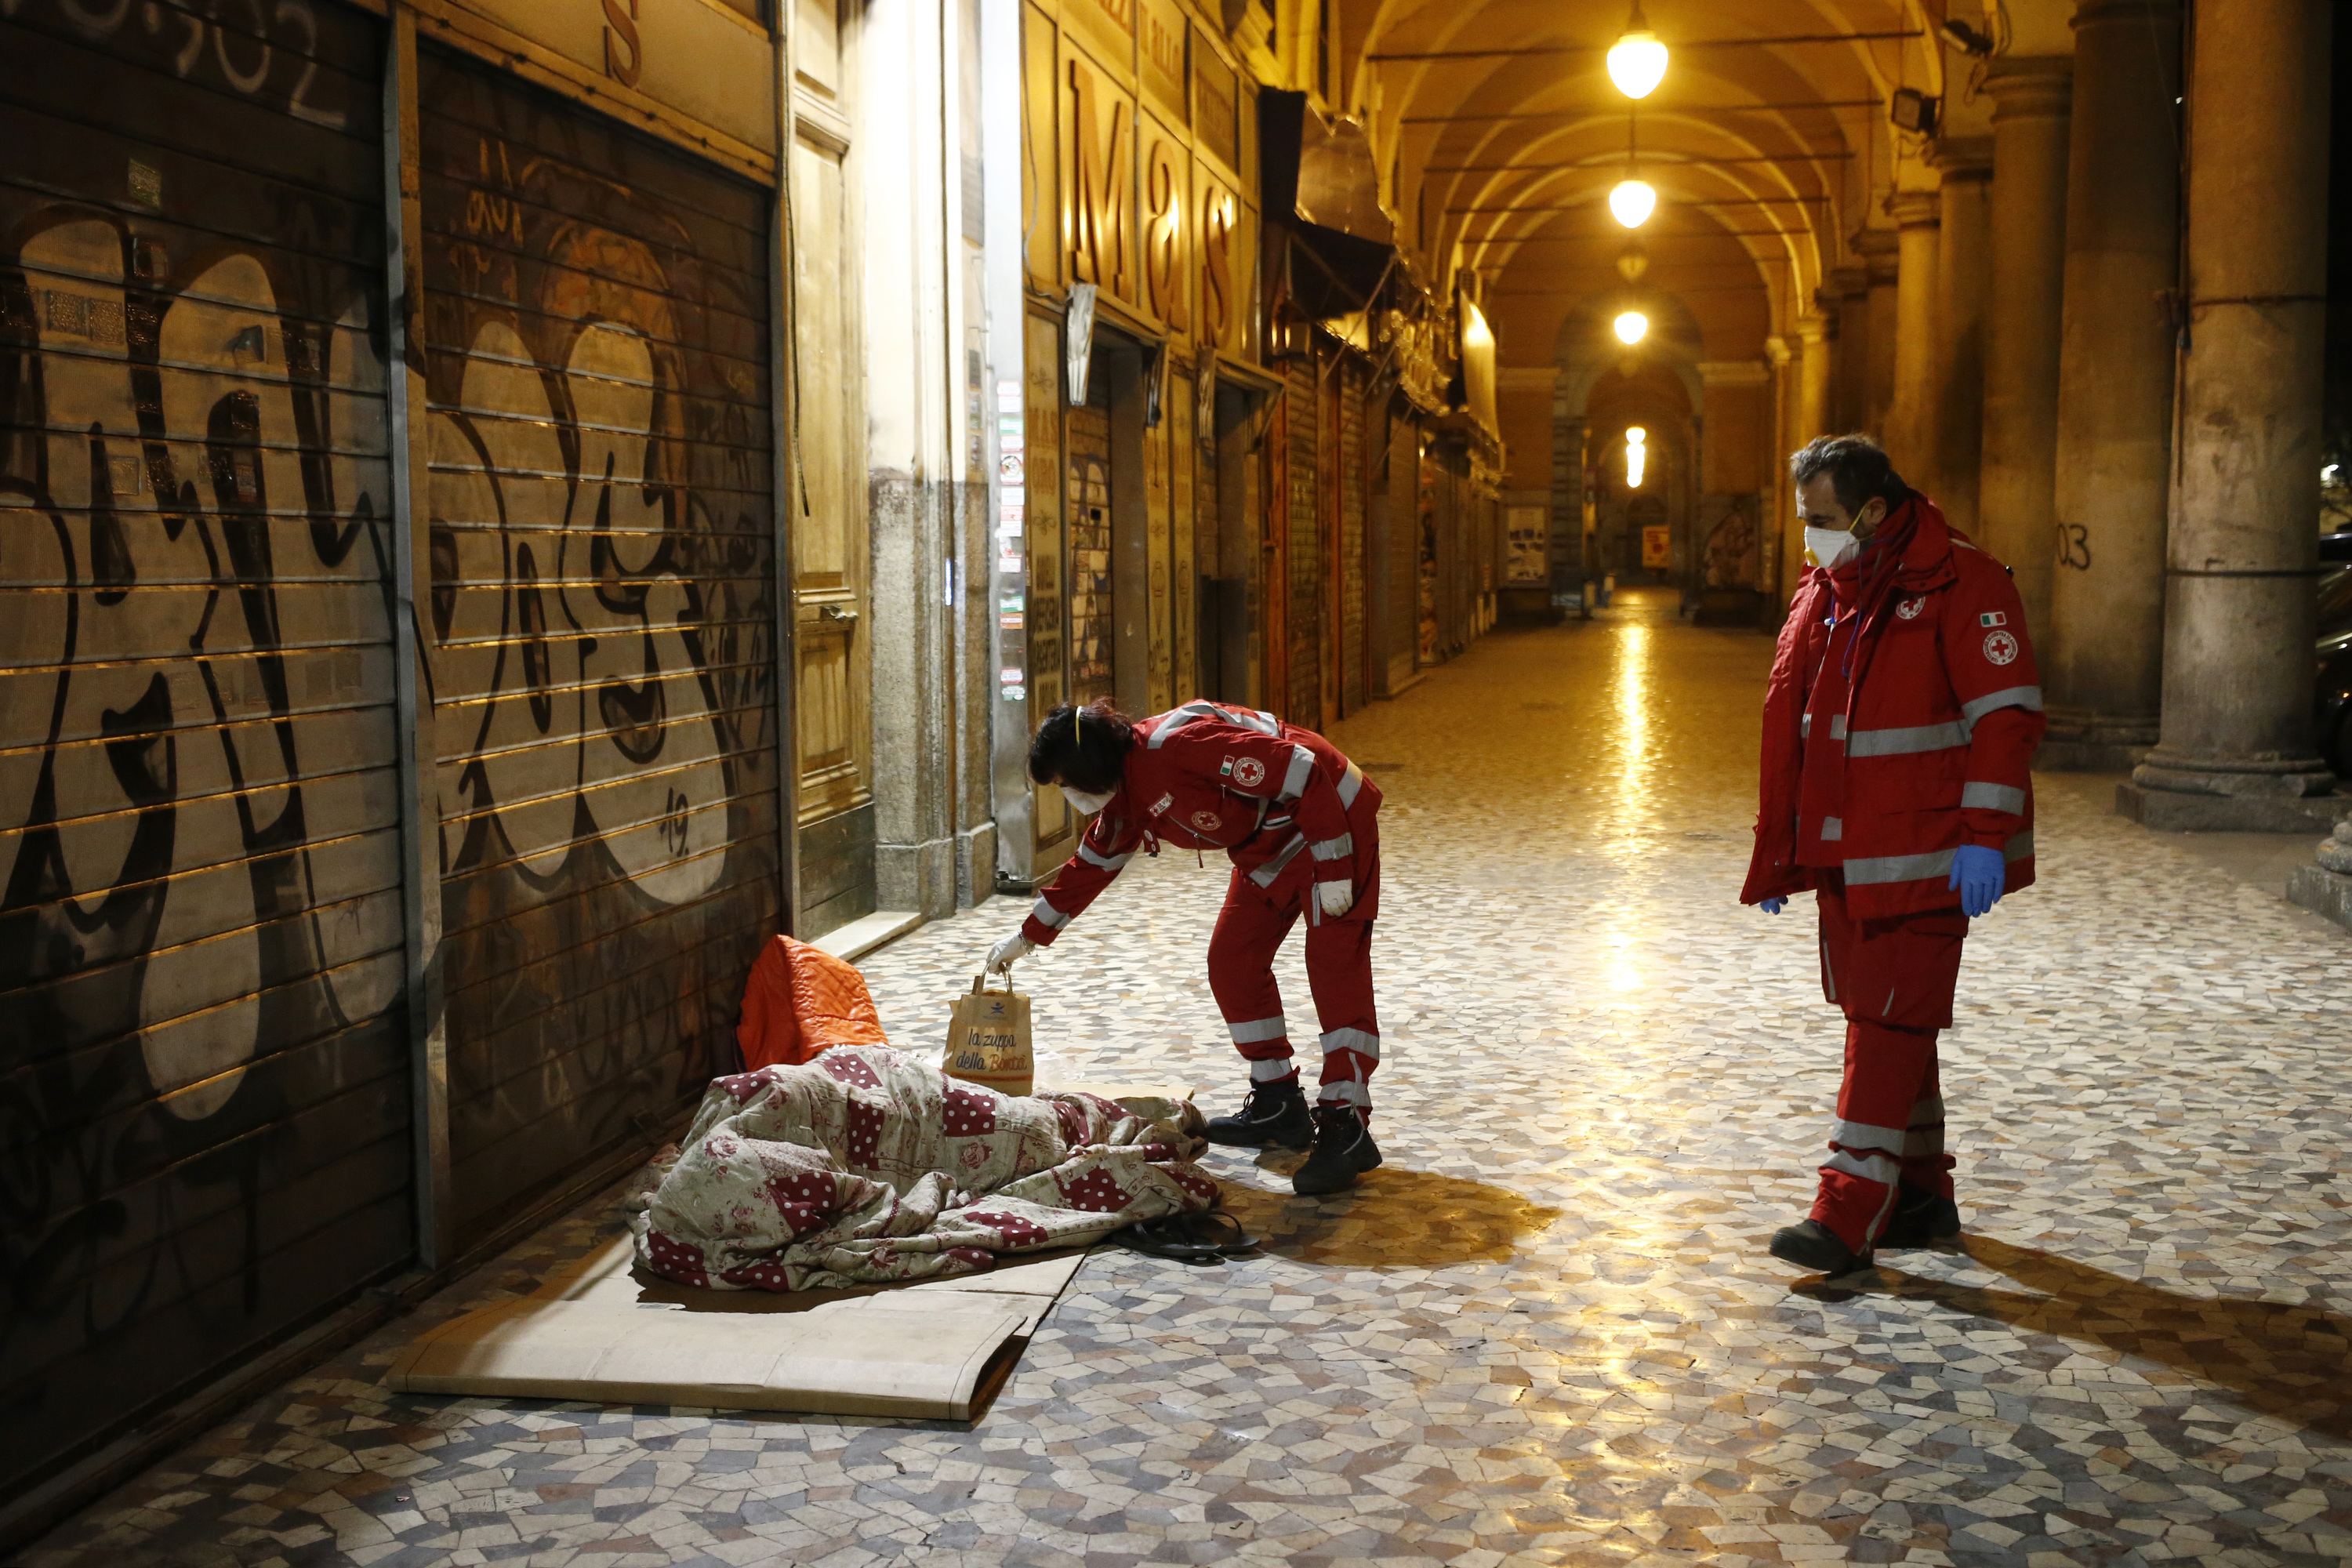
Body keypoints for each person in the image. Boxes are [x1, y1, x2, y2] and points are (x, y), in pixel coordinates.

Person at [1743, 434, 2045, 1276]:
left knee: (1882, 1018)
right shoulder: (1829, 591)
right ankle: (1920, 1189)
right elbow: (1798, 720)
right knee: (1888, 1010)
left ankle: (1848, 1206)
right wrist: (1784, 848)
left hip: (1930, 851)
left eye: (1824, 519)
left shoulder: (1964, 582)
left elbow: (2006, 716)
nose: (1812, 536)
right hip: (1851, 849)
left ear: (1874, 510)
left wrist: (1984, 838)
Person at [984, 699, 1385, 1195]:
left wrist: (1336, 863)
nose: (1067, 795)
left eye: (1065, 783)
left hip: (1333, 823)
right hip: (1270, 845)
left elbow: (1300, 770)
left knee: (1334, 972)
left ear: (1089, 768)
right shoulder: (1126, 786)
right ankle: (1279, 1103)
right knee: (1233, 962)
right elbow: (1095, 860)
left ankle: (1348, 1124)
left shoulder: (1177, 747)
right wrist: (1027, 937)